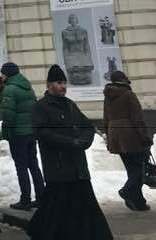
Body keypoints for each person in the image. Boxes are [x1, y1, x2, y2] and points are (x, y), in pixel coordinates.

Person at [29, 64, 112, 240]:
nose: (63, 86)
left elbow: (87, 126)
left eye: (64, 83)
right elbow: (42, 133)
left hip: (78, 168)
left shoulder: (70, 105)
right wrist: (71, 142)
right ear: (49, 84)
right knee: (56, 207)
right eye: (59, 82)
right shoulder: (41, 107)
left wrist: (85, 140)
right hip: (58, 168)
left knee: (86, 207)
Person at [102, 70, 151, 211]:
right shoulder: (129, 95)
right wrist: (145, 138)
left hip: (115, 133)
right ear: (125, 81)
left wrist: (109, 137)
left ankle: (138, 202)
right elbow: (137, 119)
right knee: (138, 170)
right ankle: (126, 190)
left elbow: (105, 118)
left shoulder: (107, 96)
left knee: (131, 169)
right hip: (130, 134)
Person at [0, 61, 44, 212]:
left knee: (21, 167)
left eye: (3, 73)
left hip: (18, 134)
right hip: (30, 132)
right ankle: (41, 197)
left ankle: (25, 199)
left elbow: (8, 115)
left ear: (7, 74)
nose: (1, 76)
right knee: (34, 165)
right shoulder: (27, 87)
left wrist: (7, 133)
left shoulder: (10, 89)